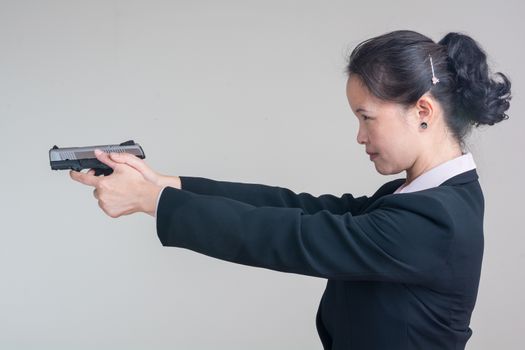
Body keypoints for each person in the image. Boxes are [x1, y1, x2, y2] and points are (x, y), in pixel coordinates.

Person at [70, 30, 511, 349]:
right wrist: (168, 184)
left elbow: (290, 237)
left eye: (366, 117)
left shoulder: (436, 220)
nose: (359, 136)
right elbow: (296, 209)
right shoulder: (421, 197)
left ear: (422, 111)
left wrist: (154, 202)